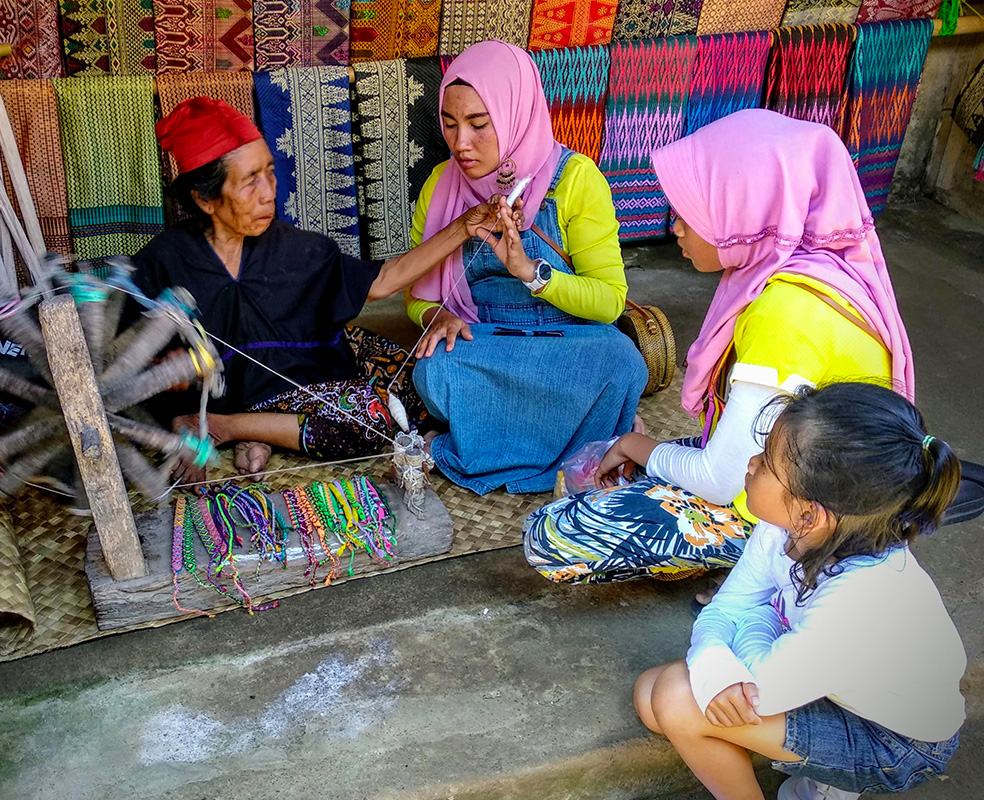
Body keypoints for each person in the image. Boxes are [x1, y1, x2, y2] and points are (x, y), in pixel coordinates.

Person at [523, 109, 914, 587]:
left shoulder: (786, 312)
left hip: (806, 516)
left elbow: (721, 478)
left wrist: (631, 444)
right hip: (797, 477)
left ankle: (771, 564)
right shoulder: (807, 276)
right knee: (631, 468)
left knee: (557, 532)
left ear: (744, 206)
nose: (676, 228)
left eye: (691, 211)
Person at [633, 382, 965, 800]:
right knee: (652, 695)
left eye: (767, 461)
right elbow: (726, 607)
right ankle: (818, 776)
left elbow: (760, 681)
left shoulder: (862, 597)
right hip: (818, 680)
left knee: (677, 698)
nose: (750, 464)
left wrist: (758, 617)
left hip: (896, 743)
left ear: (811, 515)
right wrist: (717, 661)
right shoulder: (783, 529)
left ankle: (824, 785)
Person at [133, 97, 496, 477]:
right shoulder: (163, 262)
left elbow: (384, 281)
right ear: (204, 199)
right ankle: (225, 427)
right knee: (370, 422)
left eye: (269, 172)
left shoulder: (297, 248)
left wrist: (465, 226)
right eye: (249, 181)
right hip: (230, 397)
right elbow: (130, 363)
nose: (269, 192)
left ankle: (257, 432)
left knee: (428, 390)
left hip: (310, 376)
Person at [405, 39, 647, 495]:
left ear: (517, 113)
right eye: (450, 124)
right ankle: (582, 442)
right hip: (487, 339)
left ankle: (477, 443)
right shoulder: (442, 186)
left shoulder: (575, 180)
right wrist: (440, 316)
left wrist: (531, 272)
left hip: (570, 338)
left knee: (622, 362)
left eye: (479, 125)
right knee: (433, 370)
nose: (461, 143)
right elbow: (416, 294)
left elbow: (611, 302)